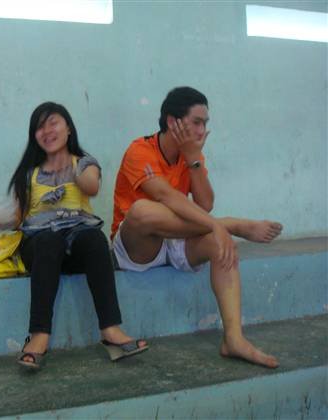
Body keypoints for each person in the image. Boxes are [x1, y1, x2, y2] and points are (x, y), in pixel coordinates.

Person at [111, 87, 283, 368]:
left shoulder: (192, 155)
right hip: (138, 247)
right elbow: (167, 197)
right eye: (197, 122)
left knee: (220, 244)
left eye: (205, 123)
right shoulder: (139, 150)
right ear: (172, 122)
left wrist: (193, 159)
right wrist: (220, 226)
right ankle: (232, 224)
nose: (203, 130)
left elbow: (205, 204)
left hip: (176, 239)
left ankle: (234, 339)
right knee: (142, 210)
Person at [0, 101, 148, 369]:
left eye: (53, 123)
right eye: (40, 127)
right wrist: (5, 219)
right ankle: (39, 335)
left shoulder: (84, 163)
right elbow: (19, 219)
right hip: (41, 247)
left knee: (95, 239)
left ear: (68, 128)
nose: (47, 131)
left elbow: (92, 186)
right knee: (49, 240)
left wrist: (71, 170)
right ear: (34, 136)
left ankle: (111, 330)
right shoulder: (29, 172)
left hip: (76, 245)